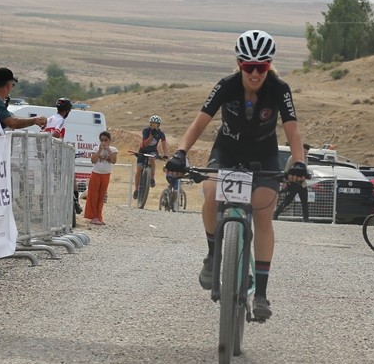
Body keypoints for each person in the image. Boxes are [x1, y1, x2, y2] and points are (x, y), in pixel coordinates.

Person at [165, 30, 305, 321]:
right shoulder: (226, 86)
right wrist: (181, 152)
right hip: (227, 152)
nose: (255, 73)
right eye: (248, 66)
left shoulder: (279, 88)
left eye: (261, 67)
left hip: (263, 156)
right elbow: (200, 121)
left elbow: (292, 129)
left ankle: (262, 293)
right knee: (211, 195)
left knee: (263, 214)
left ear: (269, 65)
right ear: (239, 63)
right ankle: (213, 253)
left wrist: (299, 163)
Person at [84, 130, 117, 226]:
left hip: (106, 174)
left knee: (101, 196)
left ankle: (99, 216)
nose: (103, 142)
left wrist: (108, 150)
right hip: (96, 173)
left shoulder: (113, 149)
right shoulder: (96, 148)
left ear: (109, 140)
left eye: (105, 140)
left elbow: (113, 161)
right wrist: (99, 150)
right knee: (93, 195)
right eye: (102, 140)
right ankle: (93, 216)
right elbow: (93, 160)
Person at [273, 143, 313, 222]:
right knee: (287, 201)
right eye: (304, 153)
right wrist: (285, 182)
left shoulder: (306, 159)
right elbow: (286, 170)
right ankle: (276, 214)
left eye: (306, 153)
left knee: (304, 201)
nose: (305, 155)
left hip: (302, 183)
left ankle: (306, 218)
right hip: (293, 183)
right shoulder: (292, 158)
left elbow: (304, 169)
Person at [133, 115, 168, 200]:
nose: (154, 125)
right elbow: (145, 143)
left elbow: (164, 145)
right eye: (152, 124)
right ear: (150, 124)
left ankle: (151, 178)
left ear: (159, 125)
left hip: (153, 150)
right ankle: (136, 189)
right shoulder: (146, 130)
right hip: (143, 150)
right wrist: (151, 135)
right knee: (139, 168)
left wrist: (165, 154)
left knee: (152, 158)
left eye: (156, 124)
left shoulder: (161, 133)